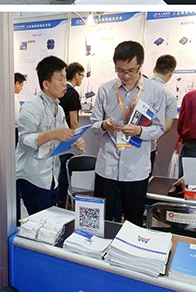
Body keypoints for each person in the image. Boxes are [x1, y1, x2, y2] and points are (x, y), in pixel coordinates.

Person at [90, 41, 166, 225]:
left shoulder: (155, 91)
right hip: (107, 166)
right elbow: (94, 126)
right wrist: (104, 125)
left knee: (133, 220)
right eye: (120, 70)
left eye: (131, 70)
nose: (125, 76)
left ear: (141, 65)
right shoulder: (105, 90)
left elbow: (159, 128)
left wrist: (139, 130)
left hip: (136, 169)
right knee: (102, 221)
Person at [16, 56, 84, 216]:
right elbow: (25, 140)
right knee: (38, 221)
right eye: (60, 79)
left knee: (50, 218)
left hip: (51, 175)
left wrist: (76, 140)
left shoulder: (58, 109)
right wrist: (53, 134)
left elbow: (65, 134)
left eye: (65, 78)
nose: (64, 83)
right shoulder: (32, 106)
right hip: (32, 176)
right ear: (46, 84)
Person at [57, 61, 84, 206]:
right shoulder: (72, 93)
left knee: (62, 168)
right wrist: (79, 139)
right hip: (68, 138)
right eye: (82, 75)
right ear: (77, 75)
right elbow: (74, 122)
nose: (82, 79)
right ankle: (62, 200)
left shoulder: (60, 91)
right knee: (66, 169)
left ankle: (61, 199)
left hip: (58, 135)